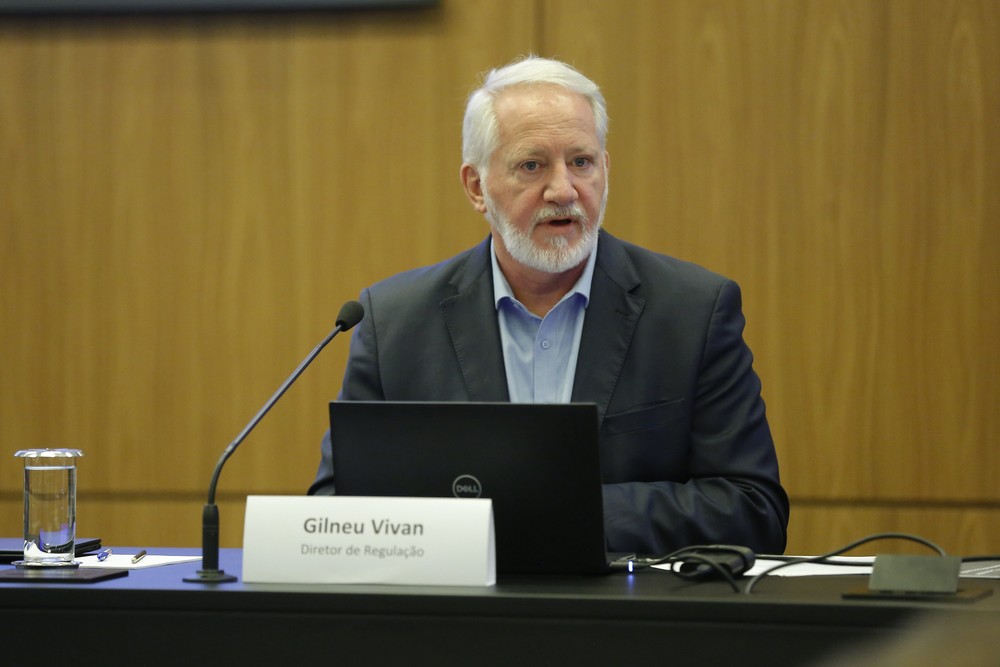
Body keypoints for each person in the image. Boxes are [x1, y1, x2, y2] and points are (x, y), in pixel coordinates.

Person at [309, 55, 789, 556]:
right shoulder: (394, 322)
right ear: (476, 187)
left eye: (581, 162)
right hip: (460, 604)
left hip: (626, 604)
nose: (563, 191)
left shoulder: (693, 312)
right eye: (532, 165)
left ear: (605, 170)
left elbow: (753, 508)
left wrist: (563, 511)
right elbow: (336, 507)